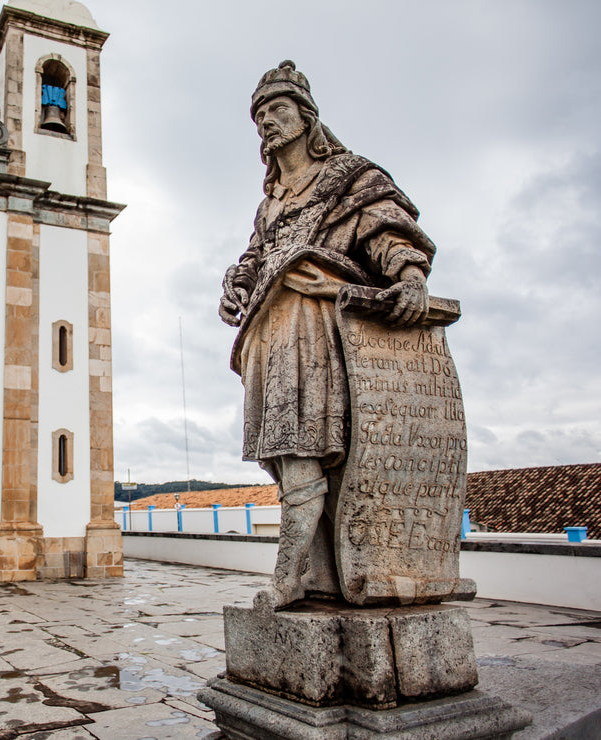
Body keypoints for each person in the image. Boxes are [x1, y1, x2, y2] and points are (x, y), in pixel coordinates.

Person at [219, 61, 436, 608]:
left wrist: (409, 273)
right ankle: (321, 573)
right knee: (283, 456)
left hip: (316, 326)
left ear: (306, 116)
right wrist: (237, 284)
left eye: (278, 109)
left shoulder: (349, 176)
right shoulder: (270, 204)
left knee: (303, 449)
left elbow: (385, 226)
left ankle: (290, 577)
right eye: (260, 116)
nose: (267, 122)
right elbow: (256, 257)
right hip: (268, 331)